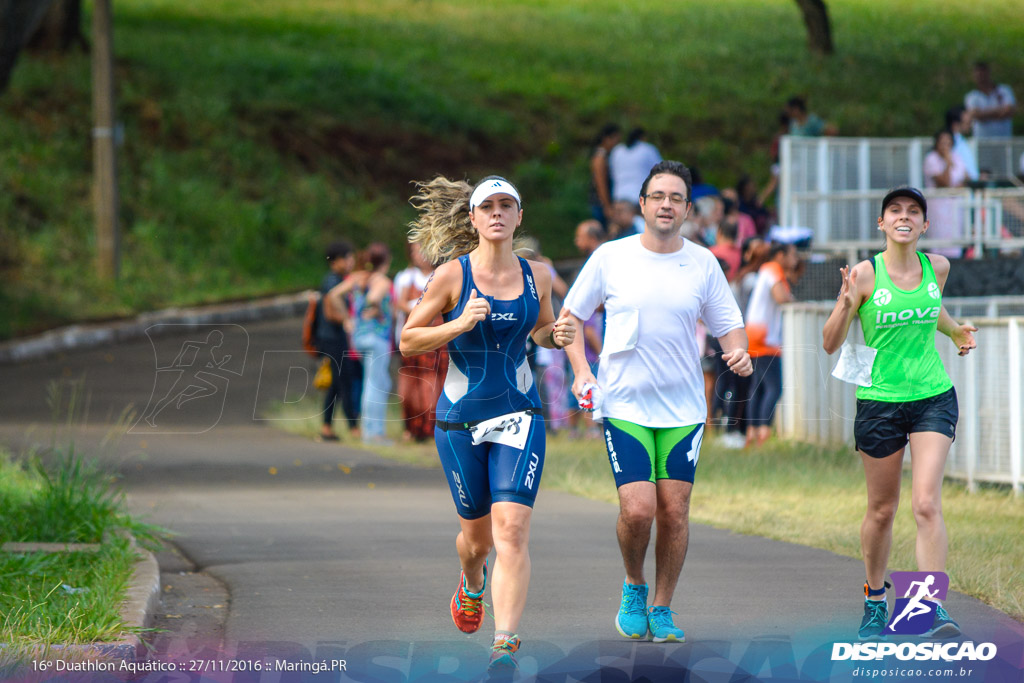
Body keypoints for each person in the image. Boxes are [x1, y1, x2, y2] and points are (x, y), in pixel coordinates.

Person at [562, 160, 752, 643]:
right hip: (624, 405)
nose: (666, 205)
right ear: (642, 205)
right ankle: (634, 584)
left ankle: (663, 606)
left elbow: (729, 324)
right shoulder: (611, 257)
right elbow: (569, 320)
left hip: (683, 410)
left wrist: (737, 352)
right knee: (639, 508)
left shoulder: (702, 262)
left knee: (675, 510)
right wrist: (583, 372)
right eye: (657, 196)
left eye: (676, 198)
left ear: (688, 209)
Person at [401, 175, 576, 674]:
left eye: (507, 205)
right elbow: (409, 339)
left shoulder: (538, 274)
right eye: (488, 207)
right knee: (477, 542)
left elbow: (540, 329)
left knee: (512, 530)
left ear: (519, 217)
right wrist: (459, 322)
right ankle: (471, 580)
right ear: (473, 219)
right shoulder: (452, 277)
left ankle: (505, 644)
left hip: (520, 413)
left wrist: (554, 334)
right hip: (460, 421)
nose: (497, 213)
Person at [822, 186, 978, 641]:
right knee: (882, 510)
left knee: (926, 504)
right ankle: (875, 599)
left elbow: (933, 311)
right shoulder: (866, 276)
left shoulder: (938, 267)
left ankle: (928, 607)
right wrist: (847, 303)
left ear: (924, 225)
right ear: (882, 223)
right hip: (879, 404)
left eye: (913, 211)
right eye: (895, 211)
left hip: (933, 395)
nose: (904, 217)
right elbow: (830, 342)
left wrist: (954, 333)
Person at [329, 243, 394, 444]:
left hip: (359, 337)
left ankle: (369, 431)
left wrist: (350, 319)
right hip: (377, 337)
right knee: (377, 385)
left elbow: (333, 295)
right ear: (385, 261)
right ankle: (374, 433)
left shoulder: (356, 278)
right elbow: (374, 298)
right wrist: (377, 310)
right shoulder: (381, 280)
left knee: (372, 383)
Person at [744, 242, 799, 448]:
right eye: (792, 254)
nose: (795, 259)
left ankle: (752, 432)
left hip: (755, 334)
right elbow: (781, 297)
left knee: (757, 388)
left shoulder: (766, 270)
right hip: (765, 338)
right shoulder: (773, 269)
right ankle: (763, 435)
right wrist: (793, 300)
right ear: (780, 255)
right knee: (774, 388)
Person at [394, 242, 447, 442]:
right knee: (411, 386)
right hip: (415, 340)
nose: (420, 256)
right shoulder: (406, 277)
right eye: (416, 252)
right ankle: (412, 426)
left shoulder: (442, 275)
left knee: (434, 384)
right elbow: (398, 305)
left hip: (436, 341)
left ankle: (432, 426)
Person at [316, 241, 360, 441]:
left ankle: (327, 426)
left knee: (337, 383)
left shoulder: (334, 280)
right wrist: (347, 319)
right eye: (348, 258)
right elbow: (329, 312)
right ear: (337, 261)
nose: (351, 261)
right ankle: (353, 428)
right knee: (344, 382)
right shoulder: (332, 282)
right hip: (333, 338)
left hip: (333, 338)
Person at [923, 129, 968, 258]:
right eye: (943, 142)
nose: (945, 146)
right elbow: (944, 182)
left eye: (948, 142)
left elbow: (965, 179)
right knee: (939, 238)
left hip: (955, 205)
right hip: (938, 207)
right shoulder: (931, 159)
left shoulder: (957, 157)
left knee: (955, 236)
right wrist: (948, 163)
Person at [609, 128, 662, 205]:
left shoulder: (617, 150)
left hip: (619, 196)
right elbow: (660, 172)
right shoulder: (648, 149)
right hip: (640, 196)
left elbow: (612, 174)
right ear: (643, 137)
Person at [964, 61, 1016, 138]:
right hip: (982, 142)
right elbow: (976, 115)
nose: (981, 77)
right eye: (978, 74)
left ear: (988, 73)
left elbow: (1009, 111)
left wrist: (984, 114)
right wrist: (999, 111)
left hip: (1004, 141)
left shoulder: (1004, 90)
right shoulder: (972, 96)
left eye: (983, 73)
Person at [589, 123, 621, 226]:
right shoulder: (600, 157)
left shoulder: (607, 156)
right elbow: (600, 182)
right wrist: (606, 206)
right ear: (607, 138)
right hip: (599, 203)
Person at [944, 106, 979, 182]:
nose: (970, 125)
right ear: (955, 124)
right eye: (967, 122)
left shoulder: (962, 141)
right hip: (958, 190)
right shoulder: (949, 143)